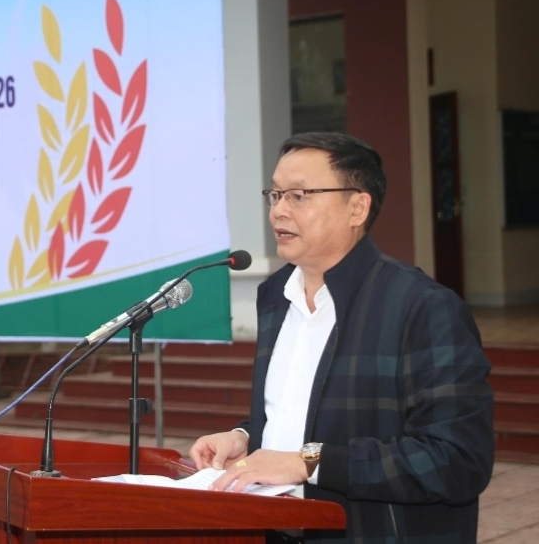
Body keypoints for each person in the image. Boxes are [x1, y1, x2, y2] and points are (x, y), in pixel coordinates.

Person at [189, 132, 494, 544]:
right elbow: (304, 410)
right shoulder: (276, 296)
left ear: (357, 208)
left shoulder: (421, 306)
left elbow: (457, 460)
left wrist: (309, 462)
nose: (279, 210)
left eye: (299, 195)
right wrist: (245, 438)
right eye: (275, 194)